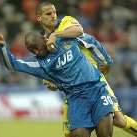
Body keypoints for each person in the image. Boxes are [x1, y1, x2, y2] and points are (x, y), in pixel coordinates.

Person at [35, 2, 137, 137]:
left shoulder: (66, 22)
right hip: (72, 89)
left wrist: (56, 35)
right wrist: (50, 83)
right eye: (49, 14)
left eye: (54, 12)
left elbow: (78, 30)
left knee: (118, 120)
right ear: (39, 18)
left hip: (93, 79)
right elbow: (46, 69)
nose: (53, 16)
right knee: (71, 133)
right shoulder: (41, 42)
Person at [0, 31, 114, 137]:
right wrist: (3, 46)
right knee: (79, 134)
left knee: (105, 133)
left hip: (97, 89)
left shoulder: (64, 40)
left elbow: (86, 37)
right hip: (76, 99)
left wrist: (105, 60)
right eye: (32, 50)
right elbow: (12, 65)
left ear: (44, 38)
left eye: (36, 47)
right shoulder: (40, 64)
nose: (36, 52)